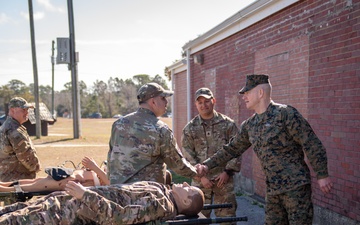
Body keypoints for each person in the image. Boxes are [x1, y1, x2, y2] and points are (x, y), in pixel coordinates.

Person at [196, 74, 333, 225]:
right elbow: (231, 149)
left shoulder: (285, 114)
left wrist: (322, 174)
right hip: (273, 191)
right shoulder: (250, 125)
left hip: (296, 188)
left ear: (260, 93)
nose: (244, 97)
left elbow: (311, 143)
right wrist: (207, 165)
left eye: (247, 92)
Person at [107, 82, 199, 185]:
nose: (166, 102)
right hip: (145, 196)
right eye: (163, 98)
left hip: (118, 194)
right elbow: (177, 164)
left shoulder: (118, 124)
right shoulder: (160, 129)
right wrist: (196, 173)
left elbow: (111, 159)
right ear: (153, 102)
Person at [0, 180, 205, 225]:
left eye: (188, 188)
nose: (185, 183)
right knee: (9, 211)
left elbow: (121, 216)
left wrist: (85, 194)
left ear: (185, 200)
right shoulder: (162, 190)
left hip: (66, 213)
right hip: (63, 202)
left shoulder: (162, 206)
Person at [181, 87, 241, 223]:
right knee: (198, 218)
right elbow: (187, 154)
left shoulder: (228, 124)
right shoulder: (190, 129)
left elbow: (236, 149)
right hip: (200, 182)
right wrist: (201, 177)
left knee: (227, 218)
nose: (203, 105)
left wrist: (227, 172)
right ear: (196, 105)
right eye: (200, 102)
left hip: (223, 180)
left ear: (213, 101)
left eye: (206, 101)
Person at [0, 156, 109, 193]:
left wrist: (94, 167)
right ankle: (3, 185)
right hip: (70, 175)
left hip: (72, 181)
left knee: (36, 186)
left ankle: (4, 189)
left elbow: (110, 183)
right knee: (37, 181)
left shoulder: (123, 180)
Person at [0, 97, 41, 182]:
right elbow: (25, 156)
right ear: (12, 110)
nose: (27, 113)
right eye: (23, 110)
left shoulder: (6, 126)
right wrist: (36, 166)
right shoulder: (14, 130)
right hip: (17, 180)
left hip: (7, 178)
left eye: (27, 110)